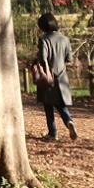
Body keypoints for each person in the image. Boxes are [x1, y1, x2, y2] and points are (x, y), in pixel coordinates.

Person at [34, 12, 78, 140]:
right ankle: (69, 121)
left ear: (42, 26)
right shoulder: (65, 39)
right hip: (62, 76)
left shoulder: (44, 39)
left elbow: (43, 58)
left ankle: (52, 133)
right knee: (60, 104)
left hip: (48, 77)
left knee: (48, 106)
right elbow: (69, 59)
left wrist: (38, 63)